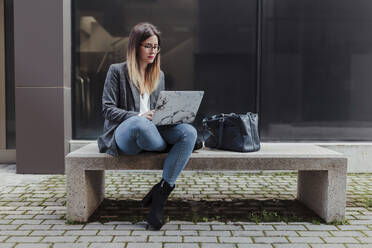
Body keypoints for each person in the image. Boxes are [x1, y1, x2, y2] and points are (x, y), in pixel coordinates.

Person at [97, 22, 197, 230]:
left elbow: (160, 111)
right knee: (139, 124)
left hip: (153, 132)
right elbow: (107, 109)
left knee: (189, 132)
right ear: (135, 46)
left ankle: (161, 194)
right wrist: (140, 115)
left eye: (156, 47)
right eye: (148, 46)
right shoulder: (116, 71)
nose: (153, 51)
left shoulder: (159, 75)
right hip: (126, 134)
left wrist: (174, 115)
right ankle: (173, 146)